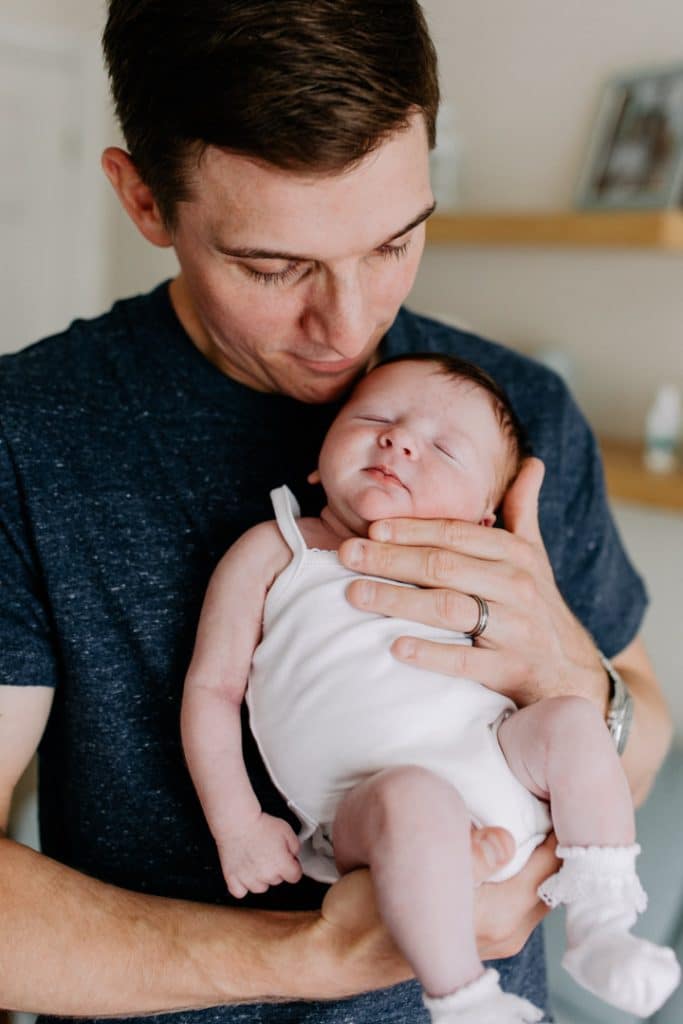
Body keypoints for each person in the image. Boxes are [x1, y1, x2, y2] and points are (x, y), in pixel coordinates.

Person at [0, 1, 673, 1022]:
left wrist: (575, 676)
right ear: (143, 199)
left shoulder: (512, 414)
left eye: (396, 241)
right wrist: (315, 954)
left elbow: (639, 718)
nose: (351, 326)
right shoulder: (26, 434)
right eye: (272, 267)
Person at [181, 353, 680, 1023]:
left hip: (501, 764)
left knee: (571, 719)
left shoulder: (481, 573)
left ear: (483, 519)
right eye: (373, 419)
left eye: (443, 448)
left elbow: (622, 718)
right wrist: (237, 823)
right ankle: (463, 997)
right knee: (414, 798)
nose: (400, 439)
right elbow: (212, 690)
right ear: (316, 459)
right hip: (370, 807)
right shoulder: (275, 551)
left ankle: (600, 923)